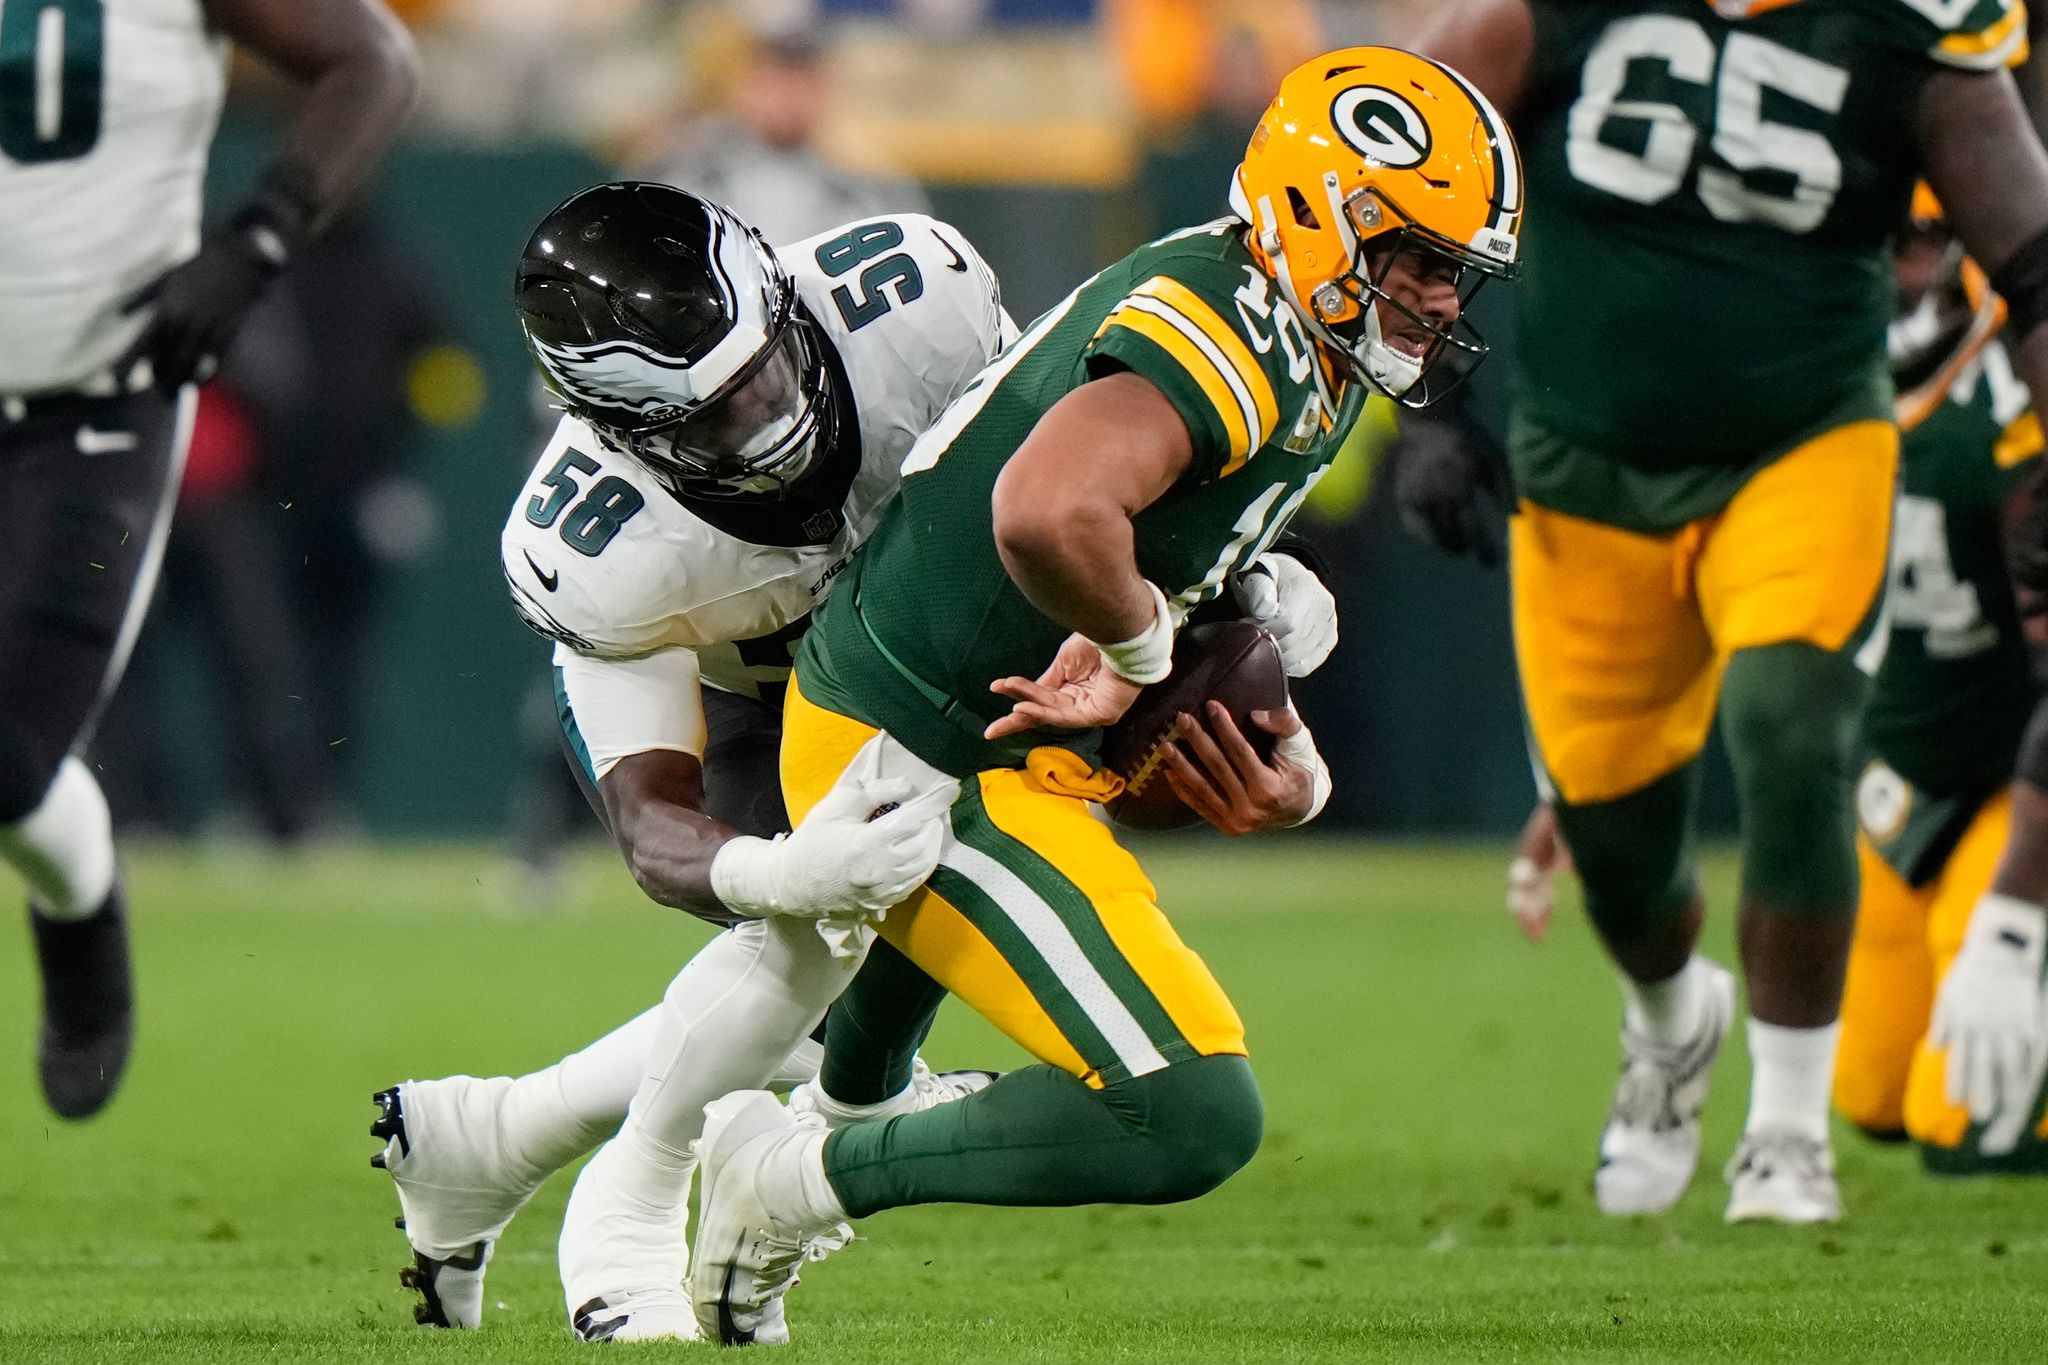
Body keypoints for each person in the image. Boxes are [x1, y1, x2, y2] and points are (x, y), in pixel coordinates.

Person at [624, 47, 1519, 1344]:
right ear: (1321, 214)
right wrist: (1145, 651)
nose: (1439, 296)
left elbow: (1166, 547)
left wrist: (1279, 724)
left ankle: (818, 1118)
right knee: (1188, 1109)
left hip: (986, 736)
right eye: (1417, 257)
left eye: (1456, 269)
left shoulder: (1299, 331)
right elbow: (1047, 512)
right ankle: (781, 1183)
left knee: (864, 1083)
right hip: (917, 754)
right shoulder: (1234, 332)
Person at [1405, 0, 2048, 1223]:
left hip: (1802, 439)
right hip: (1584, 463)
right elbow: (1395, 163)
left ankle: (1786, 1134)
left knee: (1791, 725)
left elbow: (2030, 256)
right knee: (1614, 843)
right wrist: (1429, 410)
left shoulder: (1906, 22)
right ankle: (1669, 1017)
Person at [370, 182, 1015, 1335]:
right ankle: (622, 1190)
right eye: (715, 419)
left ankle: (494, 1139)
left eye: (764, 371)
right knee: (827, 945)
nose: (768, 422)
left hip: (923, 660)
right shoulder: (598, 545)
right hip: (754, 704)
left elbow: (1053, 475)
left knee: (854, 975)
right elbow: (651, 825)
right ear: (625, 430)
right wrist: (781, 872)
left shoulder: (914, 297)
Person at [0, 0, 418, 1120]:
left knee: (12, 757)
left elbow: (372, 59)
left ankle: (81, 908)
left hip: (95, 397)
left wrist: (260, 238)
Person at [1832, 188, 2048, 1171]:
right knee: (1870, 1096)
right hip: (1899, 769)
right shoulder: (1810, 371)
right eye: (1882, 231)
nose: (1899, 259)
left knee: (1966, 1126)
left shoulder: (2011, 405)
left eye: (1921, 235)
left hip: (2011, 773)